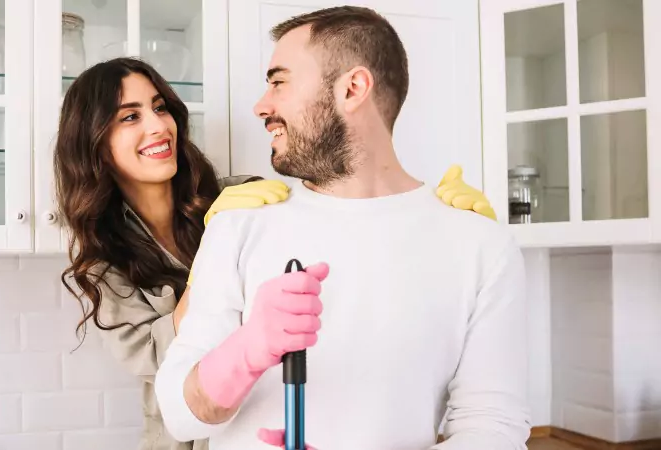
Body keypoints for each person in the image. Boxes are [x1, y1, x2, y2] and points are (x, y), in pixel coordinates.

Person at [53, 57, 495, 449]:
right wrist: (212, 255)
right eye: (130, 117)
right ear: (95, 144)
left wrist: (441, 222)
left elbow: (340, 244)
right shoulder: (100, 261)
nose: (158, 126)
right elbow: (156, 356)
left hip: (269, 428)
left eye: (160, 107)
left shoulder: (241, 200)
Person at [155, 6, 530, 450]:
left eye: (278, 81)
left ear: (353, 88)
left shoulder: (481, 245)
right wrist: (247, 349)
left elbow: (493, 428)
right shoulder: (239, 225)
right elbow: (181, 418)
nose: (262, 105)